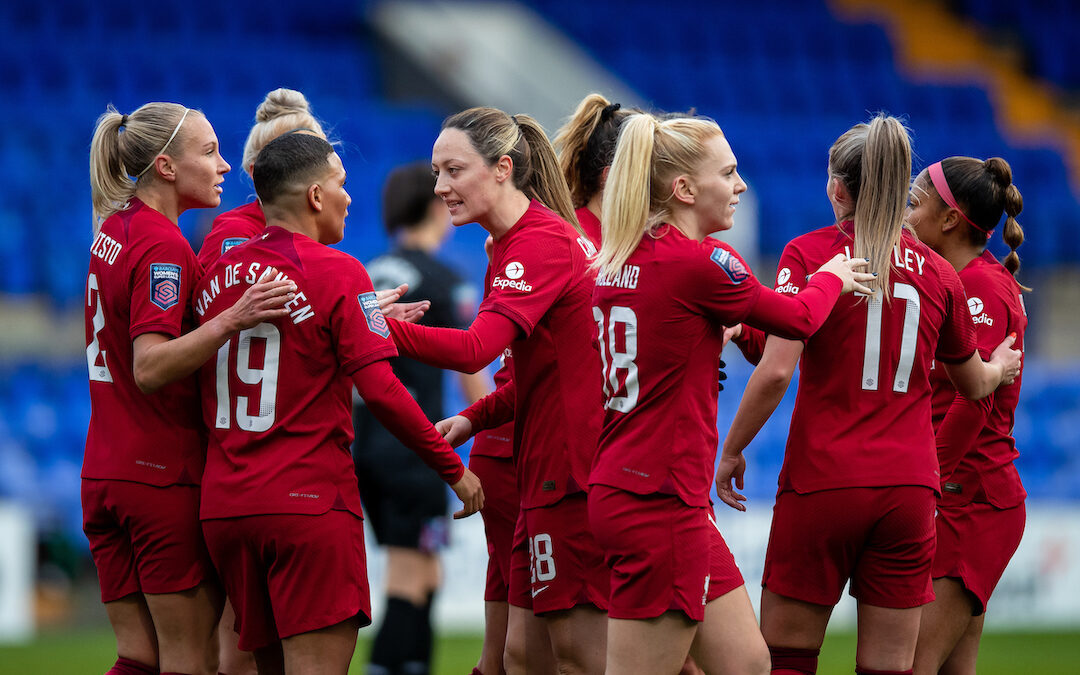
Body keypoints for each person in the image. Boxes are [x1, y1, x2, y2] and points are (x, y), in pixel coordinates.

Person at [714, 116, 1022, 675]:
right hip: (908, 490)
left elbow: (780, 366)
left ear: (837, 189)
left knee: (787, 656)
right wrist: (998, 367)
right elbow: (972, 385)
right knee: (891, 667)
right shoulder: (940, 273)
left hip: (824, 479)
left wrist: (732, 449)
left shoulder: (810, 255)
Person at [590, 111, 879, 675]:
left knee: (747, 663)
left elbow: (672, 332)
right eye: (728, 172)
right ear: (684, 188)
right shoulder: (696, 266)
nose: (741, 184)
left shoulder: (625, 258)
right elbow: (797, 317)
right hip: (658, 501)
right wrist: (833, 274)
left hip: (644, 491)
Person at [192, 133, 482, 675]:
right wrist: (455, 471)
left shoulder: (215, 274)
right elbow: (382, 391)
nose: (350, 197)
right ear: (317, 197)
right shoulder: (338, 271)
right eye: (342, 185)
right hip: (307, 502)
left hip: (228, 506)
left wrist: (368, 324)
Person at [384, 106, 608, 675]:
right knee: (517, 655)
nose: (440, 188)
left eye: (454, 171)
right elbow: (540, 373)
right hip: (540, 472)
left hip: (569, 474)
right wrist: (476, 417)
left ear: (503, 168)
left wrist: (374, 327)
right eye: (437, 173)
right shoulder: (512, 246)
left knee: (579, 658)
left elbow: (474, 351)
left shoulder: (538, 245)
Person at [84, 102, 294, 675]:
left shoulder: (114, 230)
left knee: (137, 657)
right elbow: (150, 366)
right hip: (160, 476)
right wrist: (233, 319)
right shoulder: (163, 248)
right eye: (210, 152)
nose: (226, 166)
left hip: (105, 471)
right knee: (189, 659)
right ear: (167, 167)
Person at [353, 161, 489, 675]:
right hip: (415, 443)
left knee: (424, 572)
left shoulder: (363, 275)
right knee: (410, 575)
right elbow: (469, 366)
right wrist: (496, 424)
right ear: (435, 206)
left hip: (368, 445)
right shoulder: (443, 279)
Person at [906, 157, 1028, 675]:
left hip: (968, 497)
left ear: (950, 219)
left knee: (907, 664)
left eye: (915, 204)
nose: (905, 216)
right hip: (965, 493)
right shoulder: (955, 279)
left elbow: (971, 401)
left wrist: (923, 481)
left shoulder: (979, 286)